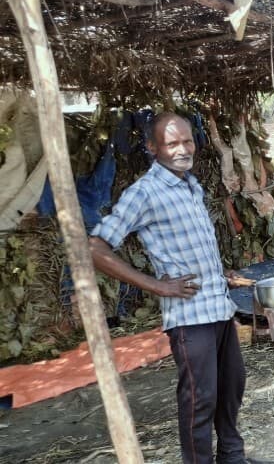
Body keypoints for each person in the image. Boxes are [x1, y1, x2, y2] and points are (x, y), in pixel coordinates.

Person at [89, 112, 248, 464]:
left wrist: (220, 272)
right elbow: (95, 248)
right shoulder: (145, 192)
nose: (182, 149)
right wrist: (156, 286)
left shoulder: (191, 185)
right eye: (171, 143)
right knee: (200, 398)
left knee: (231, 387)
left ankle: (232, 457)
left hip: (218, 307)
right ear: (152, 147)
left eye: (187, 141)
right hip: (189, 316)